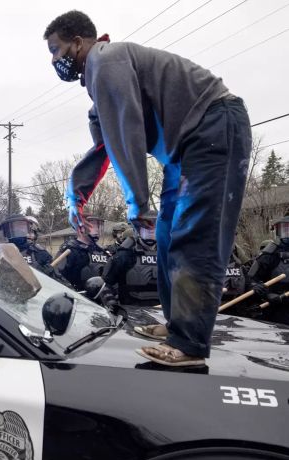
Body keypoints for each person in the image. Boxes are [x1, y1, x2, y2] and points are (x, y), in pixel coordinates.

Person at [44, 11, 252, 367]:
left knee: (196, 235)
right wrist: (76, 194)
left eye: (56, 49)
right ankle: (177, 327)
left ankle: (189, 345)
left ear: (79, 42)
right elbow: (107, 144)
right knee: (169, 236)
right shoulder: (100, 85)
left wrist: (137, 201)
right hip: (185, 148)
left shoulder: (105, 59)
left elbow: (126, 130)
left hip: (214, 127)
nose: (54, 60)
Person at [102, 214, 159, 306]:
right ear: (139, 230)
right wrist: (113, 306)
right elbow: (105, 285)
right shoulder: (124, 255)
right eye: (146, 228)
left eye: (153, 229)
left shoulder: (168, 256)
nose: (150, 232)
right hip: (132, 315)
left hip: (163, 315)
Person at [246, 215, 289, 325]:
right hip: (275, 306)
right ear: (278, 232)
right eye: (285, 230)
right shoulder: (268, 255)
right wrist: (266, 294)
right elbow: (251, 280)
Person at [54, 215, 109, 291]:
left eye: (98, 226)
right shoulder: (69, 250)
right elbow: (56, 276)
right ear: (81, 228)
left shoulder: (101, 251)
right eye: (93, 226)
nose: (97, 230)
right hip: (79, 298)